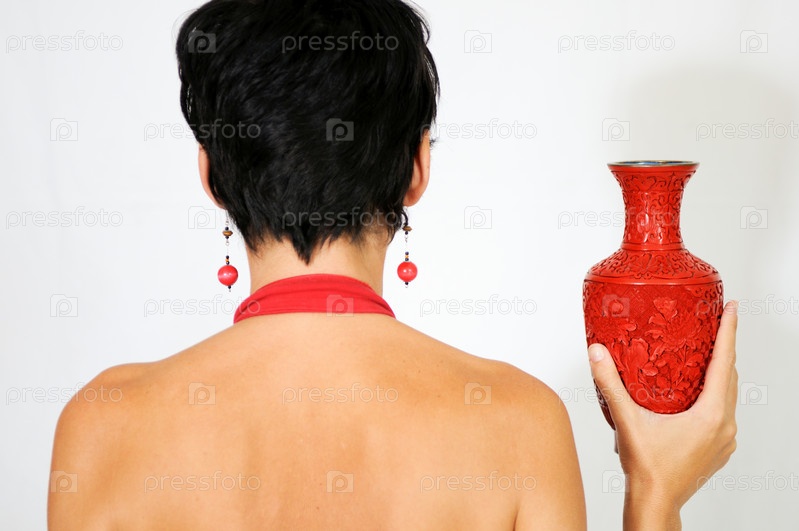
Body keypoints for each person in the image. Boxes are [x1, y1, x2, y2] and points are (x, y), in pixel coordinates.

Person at [48, 0, 738, 529]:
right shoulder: (519, 423)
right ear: (417, 167)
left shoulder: (102, 421)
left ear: (211, 175)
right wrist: (654, 493)